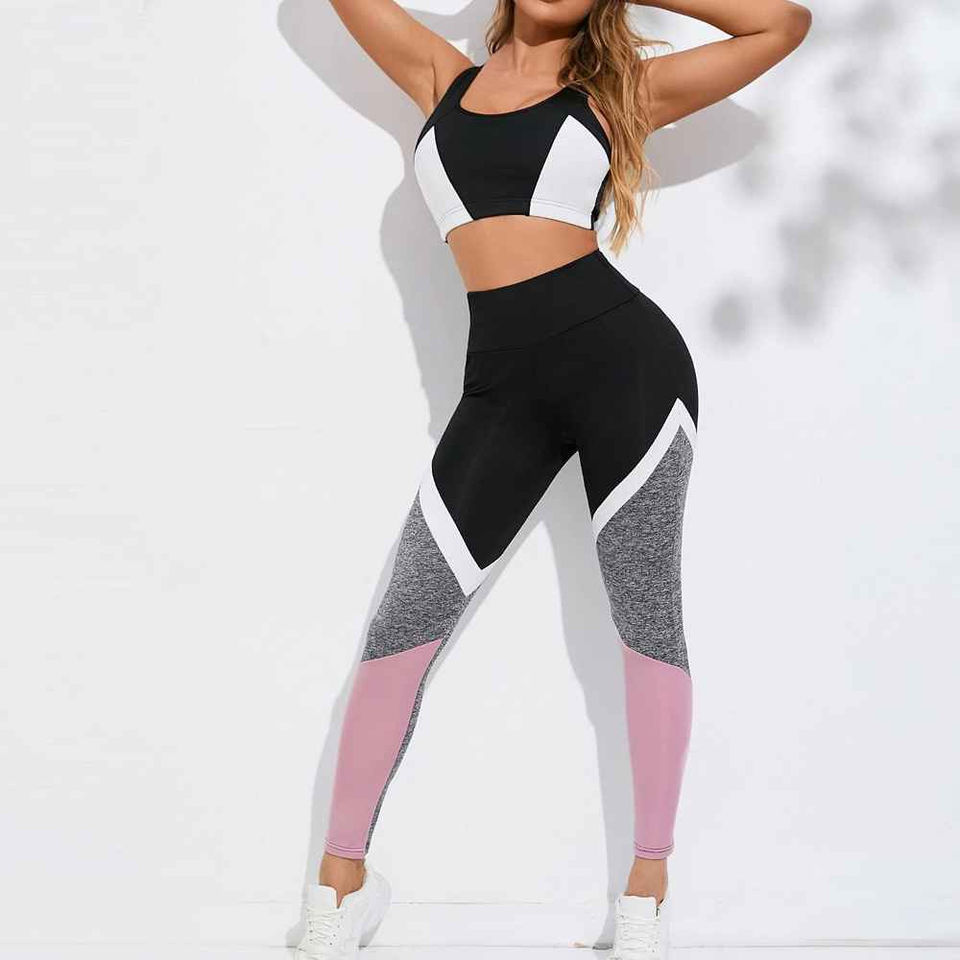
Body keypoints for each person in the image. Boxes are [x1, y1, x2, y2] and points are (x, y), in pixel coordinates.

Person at [296, 0, 810, 956]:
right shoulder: (438, 77)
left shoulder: (619, 93)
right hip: (498, 393)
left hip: (628, 369)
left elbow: (780, 26)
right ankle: (339, 887)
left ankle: (645, 893)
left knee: (645, 616)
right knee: (402, 626)